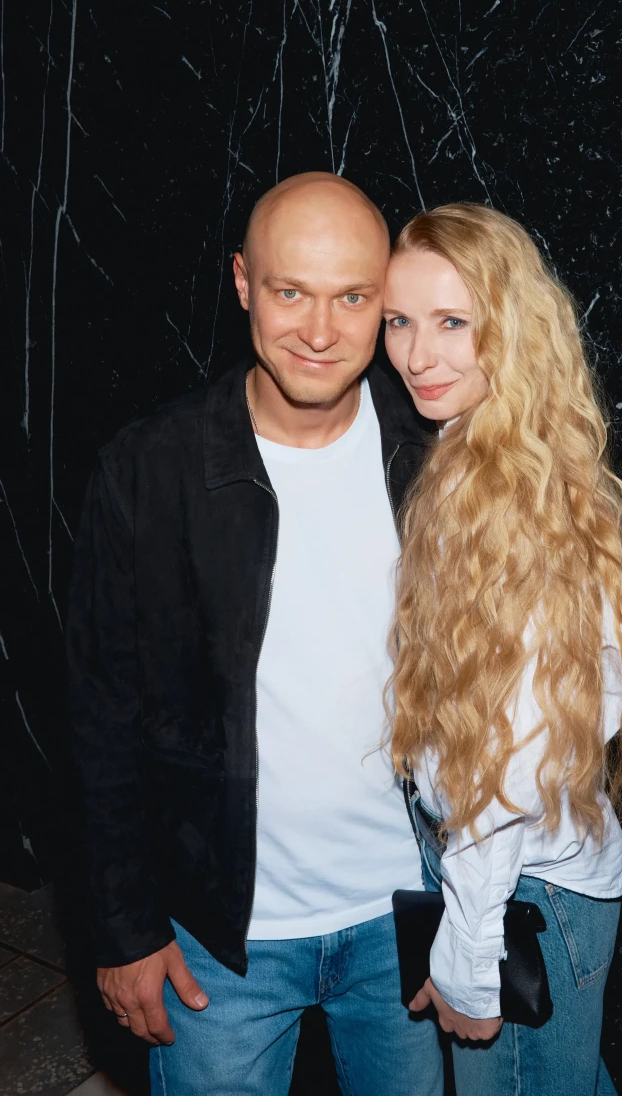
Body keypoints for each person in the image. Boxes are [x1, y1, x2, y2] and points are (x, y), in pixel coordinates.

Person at [65, 172, 443, 1096]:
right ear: (242, 282)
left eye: (352, 297)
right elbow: (98, 715)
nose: (319, 330)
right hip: (217, 939)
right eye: (290, 291)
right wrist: (124, 928)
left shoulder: (437, 453)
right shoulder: (150, 469)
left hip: (410, 919)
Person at [382, 203, 622, 1096]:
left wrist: (469, 953)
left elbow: (506, 761)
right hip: (530, 878)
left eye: (452, 321)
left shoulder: (505, 495)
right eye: (399, 321)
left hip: (520, 894)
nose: (417, 354)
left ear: (510, 325)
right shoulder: (500, 455)